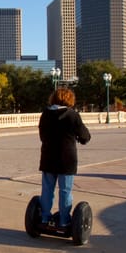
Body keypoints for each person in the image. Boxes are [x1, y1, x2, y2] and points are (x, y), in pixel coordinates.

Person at [38, 86, 91, 231]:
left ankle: (44, 218)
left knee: (47, 190)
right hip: (67, 159)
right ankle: (63, 221)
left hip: (48, 157)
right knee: (65, 191)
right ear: (69, 99)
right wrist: (81, 138)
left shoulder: (45, 114)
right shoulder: (72, 115)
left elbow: (42, 136)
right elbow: (85, 136)